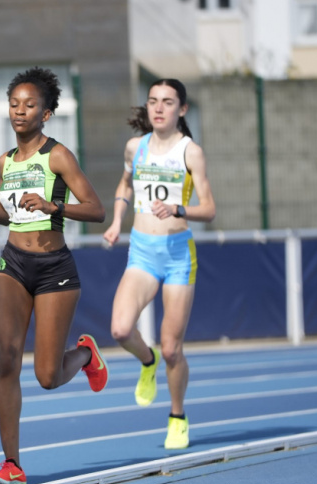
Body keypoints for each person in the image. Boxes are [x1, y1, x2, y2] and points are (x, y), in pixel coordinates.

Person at [0, 67, 108, 484]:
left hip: (54, 267)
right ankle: (11, 464)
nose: (20, 111)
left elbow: (96, 209)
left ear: (46, 114)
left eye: (29, 105)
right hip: (13, 264)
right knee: (6, 359)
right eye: (14, 104)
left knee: (46, 376)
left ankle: (85, 355)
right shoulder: (5, 161)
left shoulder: (58, 156)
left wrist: (52, 206)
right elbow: (9, 215)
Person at [102, 78, 216, 449]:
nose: (159, 108)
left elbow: (209, 209)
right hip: (142, 251)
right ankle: (146, 361)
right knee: (120, 330)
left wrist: (177, 208)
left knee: (172, 349)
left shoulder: (190, 152)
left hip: (178, 255)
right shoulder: (135, 147)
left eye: (168, 102)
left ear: (182, 109)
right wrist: (117, 221)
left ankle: (177, 416)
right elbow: (125, 184)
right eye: (153, 101)